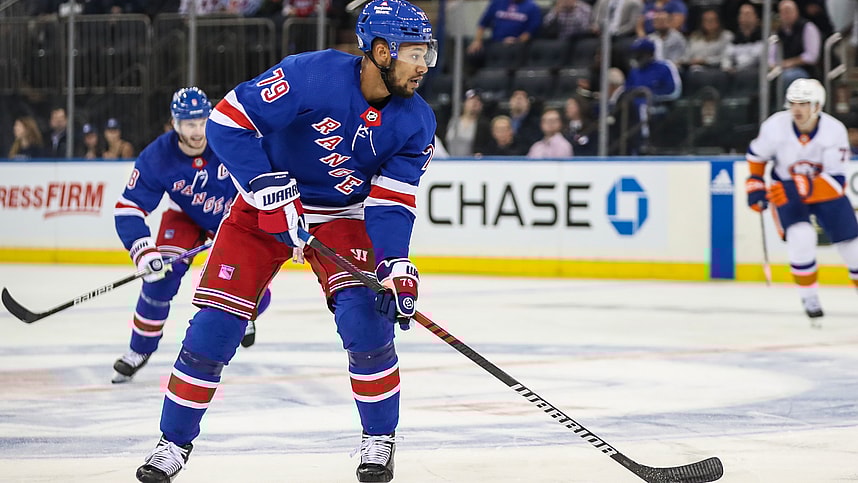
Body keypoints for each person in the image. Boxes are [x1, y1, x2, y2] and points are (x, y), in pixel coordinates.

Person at [133, 1, 437, 482]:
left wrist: (395, 265)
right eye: (415, 54)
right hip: (262, 210)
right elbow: (228, 121)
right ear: (381, 51)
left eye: (428, 55)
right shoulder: (308, 75)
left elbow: (390, 203)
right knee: (213, 329)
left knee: (368, 326)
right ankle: (171, 444)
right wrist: (264, 186)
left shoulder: (416, 122)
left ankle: (379, 441)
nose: (424, 66)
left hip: (341, 216)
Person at [111, 87, 268, 385]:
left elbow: (264, 178)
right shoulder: (157, 156)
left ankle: (245, 313)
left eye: (201, 122)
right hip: (184, 216)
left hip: (233, 218)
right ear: (175, 123)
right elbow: (128, 207)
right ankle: (138, 350)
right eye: (188, 124)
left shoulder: (229, 140)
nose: (197, 131)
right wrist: (143, 249)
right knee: (161, 277)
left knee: (247, 284)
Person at [745, 78, 858, 322]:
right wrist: (754, 182)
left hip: (823, 190)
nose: (797, 109)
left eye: (804, 103)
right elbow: (757, 155)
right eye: (794, 103)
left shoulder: (834, 130)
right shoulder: (775, 126)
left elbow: (835, 182)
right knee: (801, 238)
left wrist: (798, 188)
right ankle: (809, 297)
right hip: (785, 188)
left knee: (854, 249)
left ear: (817, 106)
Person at [769, 0, 821, 91]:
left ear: (796, 12)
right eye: (783, 12)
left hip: (805, 70)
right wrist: (773, 65)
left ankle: (786, 104)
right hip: (781, 69)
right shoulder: (778, 32)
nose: (786, 15)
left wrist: (789, 63)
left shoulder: (808, 27)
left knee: (788, 77)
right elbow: (771, 56)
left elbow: (812, 56)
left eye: (788, 11)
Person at [445, 88, 491, 157]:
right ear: (464, 103)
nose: (474, 103)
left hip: (470, 163)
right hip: (450, 161)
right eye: (471, 100)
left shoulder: (484, 125)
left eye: (477, 101)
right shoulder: (452, 121)